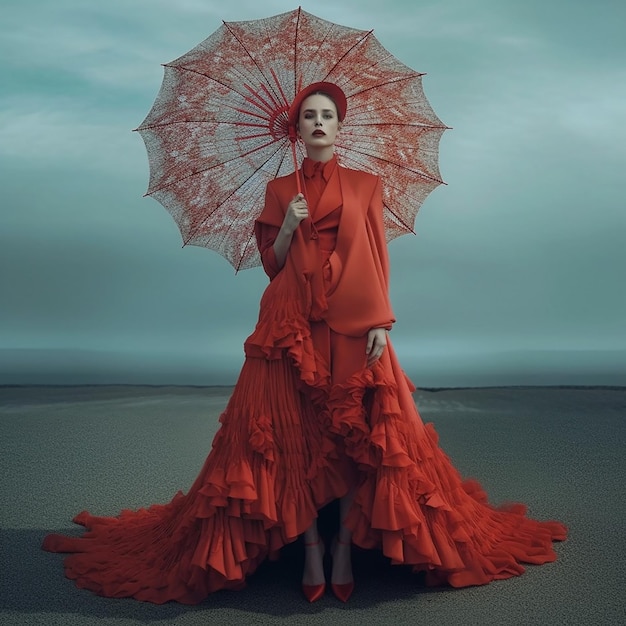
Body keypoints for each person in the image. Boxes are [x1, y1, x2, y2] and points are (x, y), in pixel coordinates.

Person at [42, 82, 567, 605]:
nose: (318, 123)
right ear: (296, 129)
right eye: (309, 116)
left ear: (340, 126)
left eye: (327, 116)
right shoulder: (279, 190)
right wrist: (290, 226)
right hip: (291, 324)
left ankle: (342, 550)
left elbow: (379, 257)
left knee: (357, 438)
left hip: (354, 319)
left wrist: (382, 323)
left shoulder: (367, 184)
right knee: (296, 440)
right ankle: (312, 549)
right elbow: (272, 266)